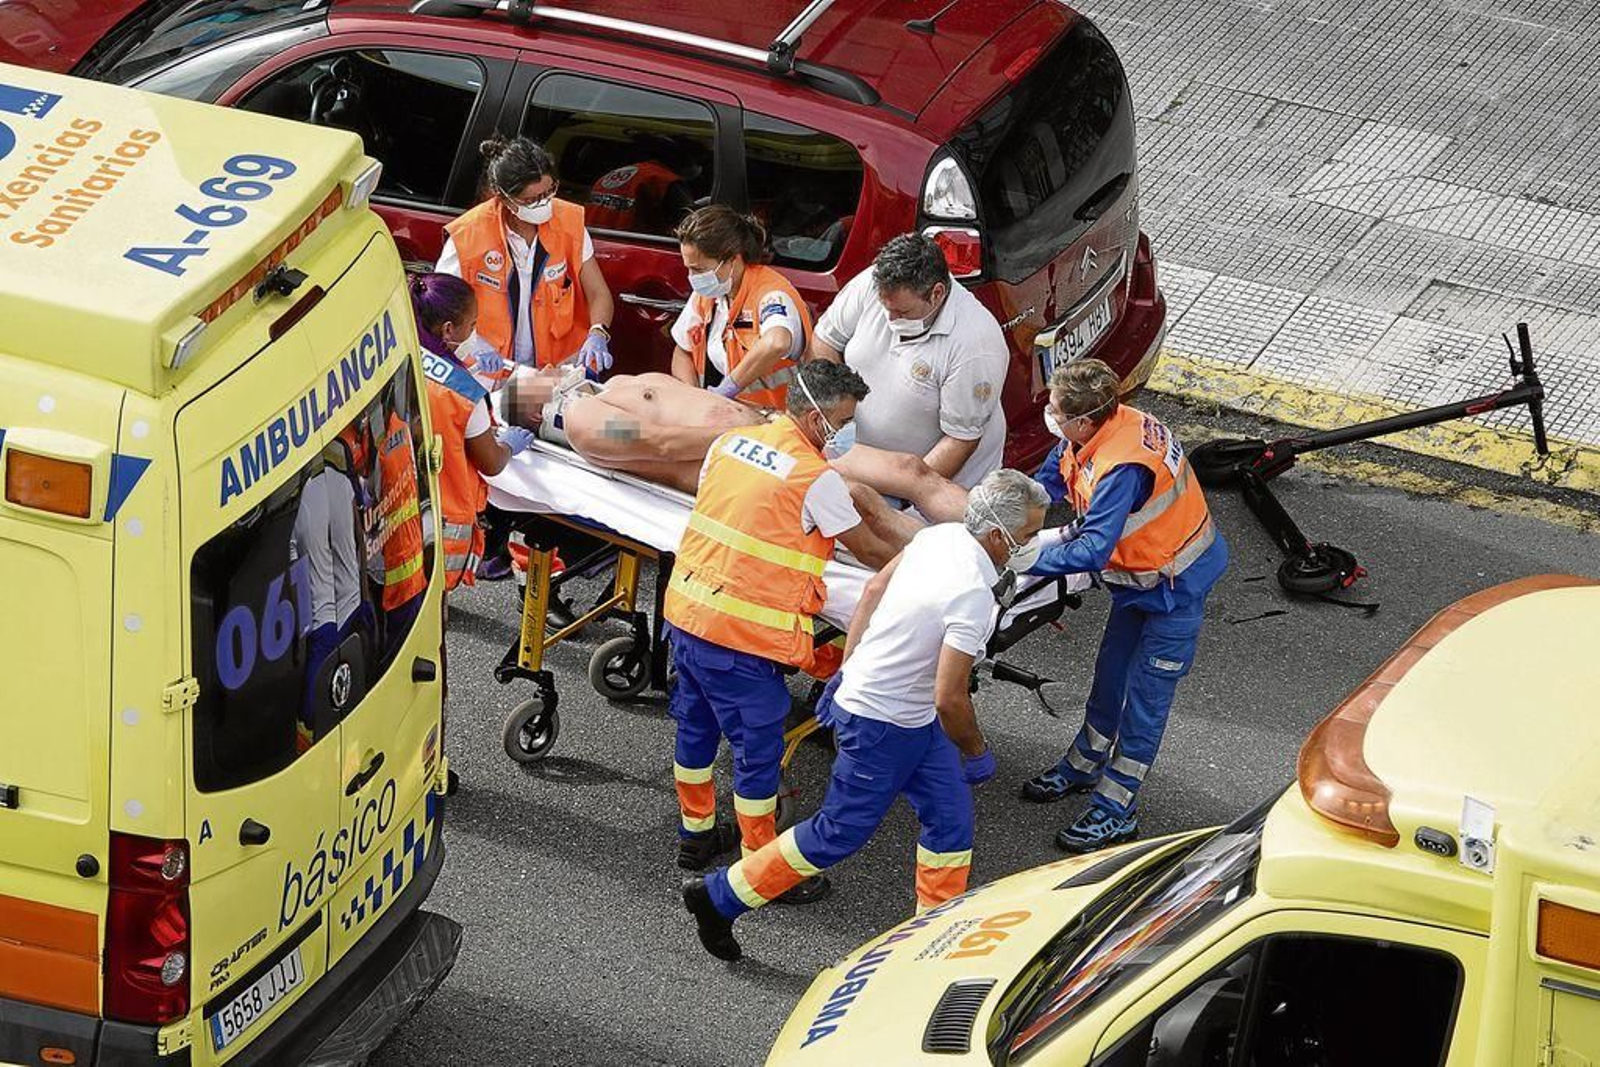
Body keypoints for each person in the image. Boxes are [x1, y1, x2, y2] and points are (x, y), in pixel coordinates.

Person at [681, 470, 1049, 961]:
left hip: (905, 714)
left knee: (951, 820)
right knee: (839, 831)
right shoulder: (973, 596)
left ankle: (930, 946)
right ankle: (718, 897)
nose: (1032, 546)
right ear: (997, 536)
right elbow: (951, 698)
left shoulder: (939, 538)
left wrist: (847, 668)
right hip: (885, 722)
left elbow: (874, 590)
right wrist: (976, 751)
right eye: (1027, 536)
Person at [663, 361, 899, 894]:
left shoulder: (729, 445)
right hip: (741, 639)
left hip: (688, 613)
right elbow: (865, 549)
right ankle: (760, 869)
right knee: (757, 754)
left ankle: (696, 834)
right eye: (843, 420)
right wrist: (924, 555)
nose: (846, 431)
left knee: (696, 729)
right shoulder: (814, 479)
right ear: (816, 419)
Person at [1020, 359, 1228, 853]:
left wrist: (1022, 559)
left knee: (1145, 701)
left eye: (1054, 411)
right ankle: (1084, 763)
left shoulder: (1123, 466)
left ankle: (1117, 808)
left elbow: (1092, 548)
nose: (1048, 416)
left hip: (1173, 589)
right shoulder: (1093, 434)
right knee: (1110, 675)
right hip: (1141, 581)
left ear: (1085, 419)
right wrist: (999, 508)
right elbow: (1046, 486)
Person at [501, 365, 970, 532]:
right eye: (535, 374)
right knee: (863, 502)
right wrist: (751, 436)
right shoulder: (586, 422)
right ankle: (964, 559)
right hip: (748, 458)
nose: (545, 364)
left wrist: (762, 421)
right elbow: (661, 444)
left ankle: (1000, 533)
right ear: (537, 404)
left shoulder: (606, 390)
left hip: (768, 432)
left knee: (908, 468)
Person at [808, 232, 1009, 491]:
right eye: (885, 307)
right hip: (857, 466)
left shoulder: (975, 342)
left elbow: (960, 441)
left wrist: (907, 493)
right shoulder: (871, 283)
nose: (890, 319)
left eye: (902, 312)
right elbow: (824, 341)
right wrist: (833, 418)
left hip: (938, 488)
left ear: (936, 293)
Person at [437, 135, 616, 379]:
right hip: (492, 374)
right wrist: (473, 345)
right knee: (508, 414)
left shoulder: (568, 223)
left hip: (555, 370)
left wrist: (598, 332)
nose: (544, 203)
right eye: (532, 200)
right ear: (503, 198)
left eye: (549, 191)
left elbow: (598, 293)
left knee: (575, 414)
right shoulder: (467, 237)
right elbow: (438, 308)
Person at [408, 273, 534, 590]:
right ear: (449, 329)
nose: (474, 335)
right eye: (472, 326)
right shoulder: (463, 392)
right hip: (439, 521)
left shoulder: (394, 357)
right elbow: (490, 462)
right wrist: (508, 445)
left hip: (395, 510)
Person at [669, 205, 809, 408]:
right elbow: (683, 350)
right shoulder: (708, 294)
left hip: (776, 421)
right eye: (689, 268)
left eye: (698, 269)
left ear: (733, 260)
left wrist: (729, 387)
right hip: (730, 415)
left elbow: (776, 343)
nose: (693, 277)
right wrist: (694, 398)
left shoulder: (771, 293)